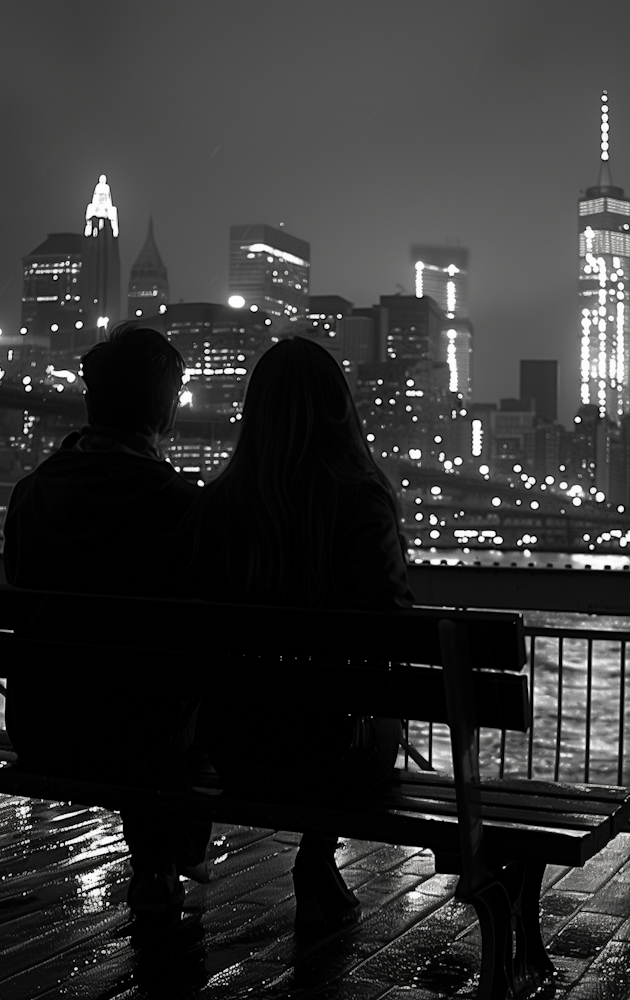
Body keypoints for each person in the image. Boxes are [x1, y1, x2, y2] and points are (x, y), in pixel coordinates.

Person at [184, 335, 409, 927]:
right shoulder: (361, 497)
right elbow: (389, 625)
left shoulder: (215, 504)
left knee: (316, 711)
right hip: (331, 759)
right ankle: (315, 857)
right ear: (342, 409)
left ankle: (316, 859)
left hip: (232, 747)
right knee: (351, 714)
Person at [3, 320, 206, 920]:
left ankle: (162, 863)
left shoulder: (30, 492)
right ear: (167, 411)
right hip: (138, 738)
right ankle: (162, 862)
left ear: (92, 401)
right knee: (166, 698)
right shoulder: (176, 503)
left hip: (40, 728)